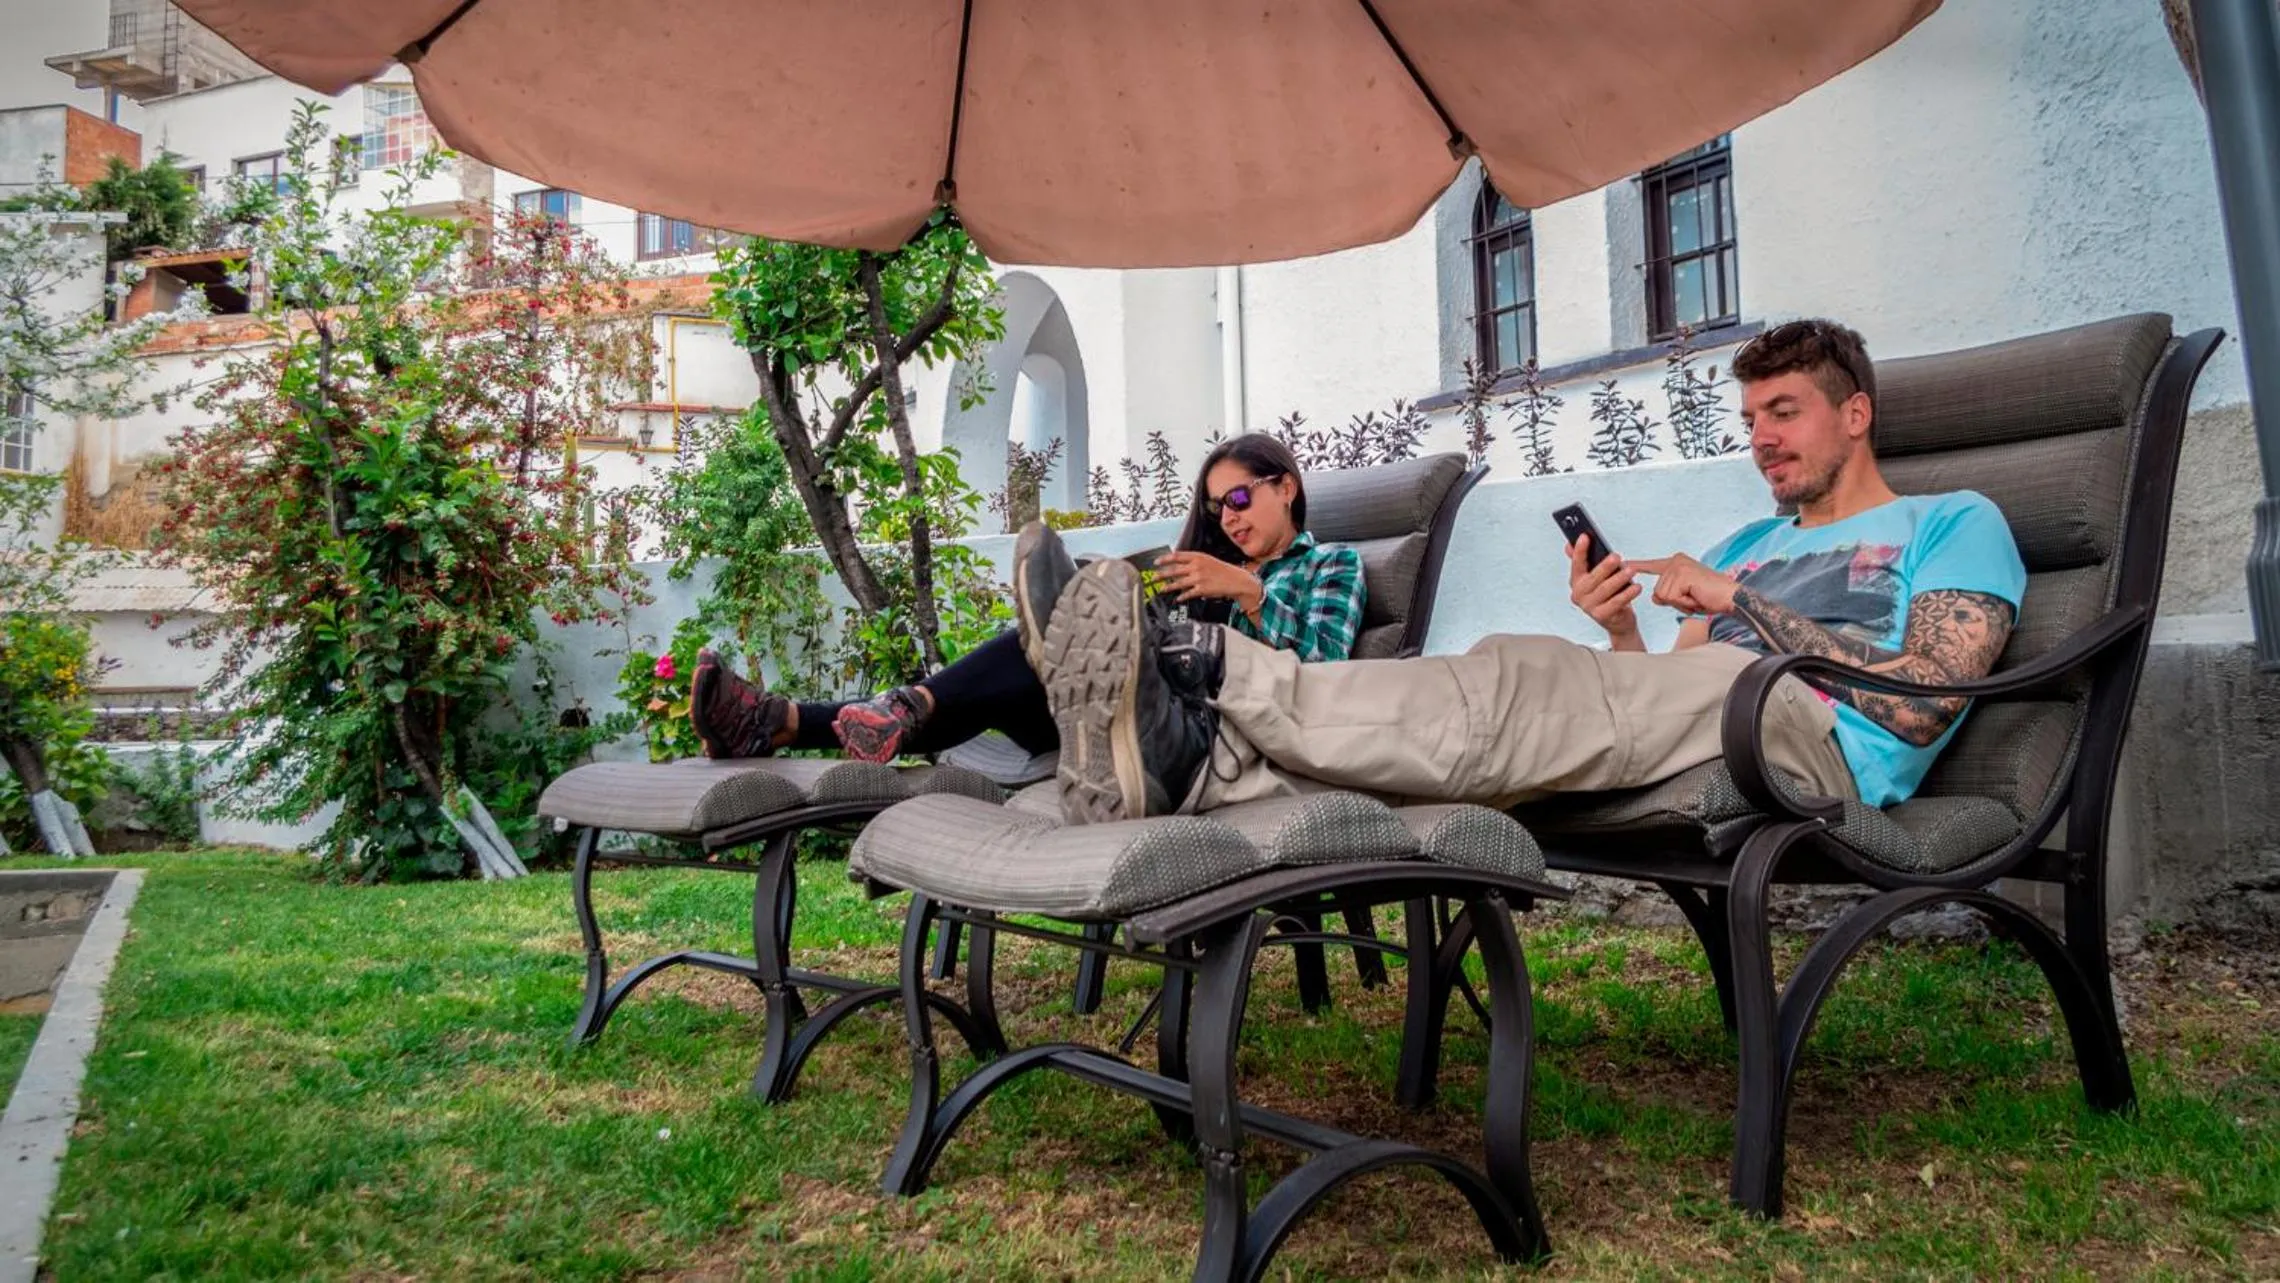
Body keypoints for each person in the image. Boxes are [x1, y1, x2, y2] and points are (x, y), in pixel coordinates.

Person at [1019, 318, 2027, 825]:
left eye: (1785, 412)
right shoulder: (1742, 542)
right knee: (1521, 664)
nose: (1760, 437)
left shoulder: (1952, 521)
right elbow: (1647, 696)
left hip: (1815, 745)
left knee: (1526, 684)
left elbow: (1925, 703)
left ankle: (1207, 674)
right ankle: (1197, 760)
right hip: (1712, 709)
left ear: (1855, 413)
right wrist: (1619, 627)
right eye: (1752, 416)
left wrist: (1736, 601)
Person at [687, 433, 1366, 766]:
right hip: (1118, 710)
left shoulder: (1333, 565)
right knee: (1024, 669)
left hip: (1199, 737)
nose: (1229, 517)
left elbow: (1325, 675)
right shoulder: (1206, 565)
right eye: (1217, 508)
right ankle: (785, 723)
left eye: (1240, 497)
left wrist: (1248, 592)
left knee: (1026, 657)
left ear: (1286, 486)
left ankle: (785, 722)